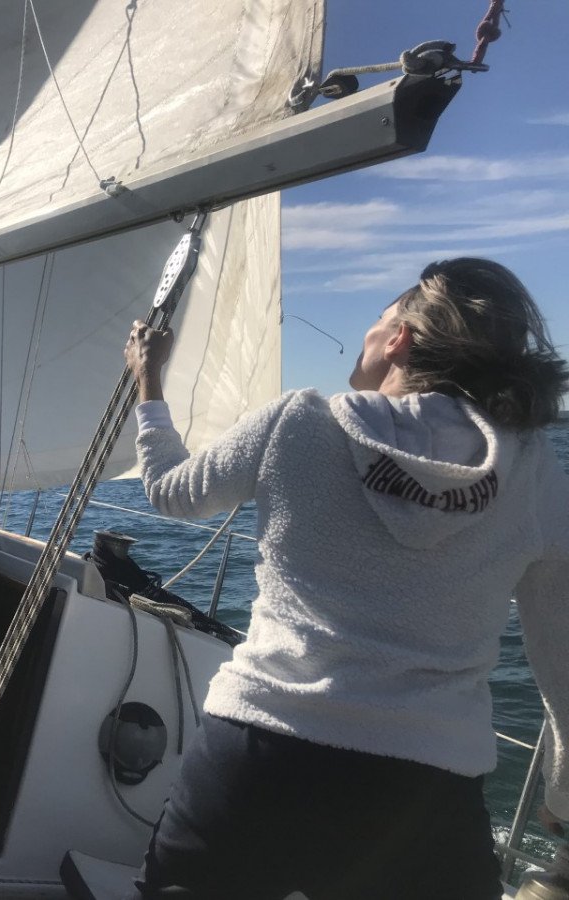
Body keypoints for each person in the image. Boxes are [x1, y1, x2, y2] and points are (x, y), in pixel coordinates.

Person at [124, 258, 569, 899]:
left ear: (400, 341)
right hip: (424, 791)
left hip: (257, 754)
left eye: (376, 318)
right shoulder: (531, 471)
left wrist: (149, 379)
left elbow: (171, 492)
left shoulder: (298, 420)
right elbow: (561, 648)